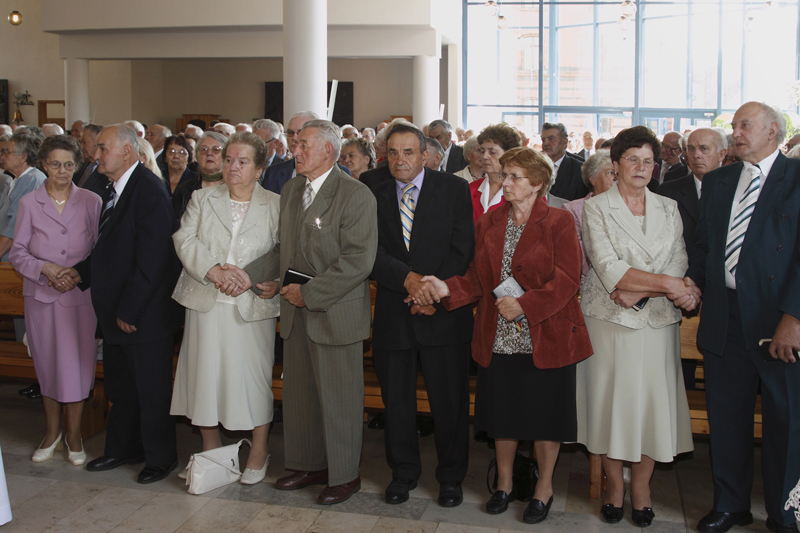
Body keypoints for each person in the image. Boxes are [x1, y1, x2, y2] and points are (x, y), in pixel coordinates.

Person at [419, 146, 592, 524]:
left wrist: (526, 305)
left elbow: (567, 279)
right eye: (505, 175)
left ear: (538, 183)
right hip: (498, 334)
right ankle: (505, 484)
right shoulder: (491, 221)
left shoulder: (559, 220)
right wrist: (446, 288)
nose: (505, 182)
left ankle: (543, 488)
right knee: (504, 413)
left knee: (546, 417)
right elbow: (477, 278)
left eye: (515, 176)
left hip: (546, 334)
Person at [241, 119, 377, 505]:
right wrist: (251, 275)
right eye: (295, 143)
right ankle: (309, 465)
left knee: (339, 400)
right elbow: (283, 248)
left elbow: (358, 260)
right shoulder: (291, 189)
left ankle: (345, 475)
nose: (294, 151)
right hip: (295, 310)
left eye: (303, 145)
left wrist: (309, 293)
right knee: (301, 396)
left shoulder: (355, 194)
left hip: (333, 311)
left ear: (328, 152)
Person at [686, 102, 800, 533]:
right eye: (734, 126)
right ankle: (730, 504)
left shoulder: (797, 177)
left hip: (777, 320)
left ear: (773, 130)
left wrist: (794, 317)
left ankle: (784, 513)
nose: (736, 132)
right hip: (725, 317)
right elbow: (704, 245)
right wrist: (691, 284)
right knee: (727, 417)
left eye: (745, 125)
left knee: (785, 423)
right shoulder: (720, 180)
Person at [577, 125, 698, 527]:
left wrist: (642, 291)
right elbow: (606, 265)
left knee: (650, 409)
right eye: (633, 159)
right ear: (615, 165)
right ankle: (615, 486)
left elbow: (679, 257)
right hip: (611, 322)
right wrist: (667, 286)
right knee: (612, 407)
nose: (641, 167)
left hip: (657, 323)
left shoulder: (668, 207)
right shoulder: (597, 208)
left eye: (649, 161)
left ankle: (642, 489)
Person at [61, 124, 183, 484]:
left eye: (103, 148)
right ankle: (122, 448)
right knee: (122, 388)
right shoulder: (110, 187)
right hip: (116, 311)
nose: (95, 154)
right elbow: (110, 250)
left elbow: (153, 260)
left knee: (151, 390)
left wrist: (130, 311)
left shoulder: (148, 190)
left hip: (143, 314)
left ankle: (160, 458)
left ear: (127, 152)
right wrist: (80, 272)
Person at [370, 123, 474, 508]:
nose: (400, 160)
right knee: (397, 402)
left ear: (426, 155)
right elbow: (368, 250)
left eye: (409, 152)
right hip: (395, 312)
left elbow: (463, 248)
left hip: (442, 313)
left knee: (449, 403)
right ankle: (403, 472)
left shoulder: (454, 189)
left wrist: (433, 291)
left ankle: (451, 477)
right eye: (393, 152)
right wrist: (409, 281)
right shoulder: (371, 188)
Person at [171, 132, 281, 484]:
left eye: (243, 161)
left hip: (253, 304)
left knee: (254, 379)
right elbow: (184, 238)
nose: (233, 167)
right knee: (204, 376)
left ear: (259, 168)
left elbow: (284, 250)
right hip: (206, 300)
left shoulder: (276, 204)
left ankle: (259, 449)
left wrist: (267, 280)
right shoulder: (202, 198)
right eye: (229, 159)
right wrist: (213, 271)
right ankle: (212, 449)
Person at [9, 135, 101, 467]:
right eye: (55, 164)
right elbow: (18, 252)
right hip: (42, 298)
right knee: (47, 365)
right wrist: (45, 269)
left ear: (76, 166)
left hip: (79, 298)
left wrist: (75, 274)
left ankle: (74, 436)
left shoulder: (91, 201)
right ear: (43, 165)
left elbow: (99, 251)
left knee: (77, 367)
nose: (62, 171)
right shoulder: (29, 203)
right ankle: (51, 433)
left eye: (68, 165)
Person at [260, 112, 351, 194]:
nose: (295, 137)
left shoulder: (343, 176)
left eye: (300, 132)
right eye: (290, 132)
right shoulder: (273, 172)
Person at [561, 149, 616, 281]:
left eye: (618, 173)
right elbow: (575, 257)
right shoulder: (573, 210)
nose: (616, 178)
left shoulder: (630, 208)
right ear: (593, 179)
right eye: (610, 172)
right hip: (587, 282)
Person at [0, 131, 47, 261]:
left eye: (7, 152)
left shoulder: (31, 179)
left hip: (15, 261)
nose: (3, 156)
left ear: (23, 157)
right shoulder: (17, 180)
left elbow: (15, 226)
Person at [469, 123, 521, 222]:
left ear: (509, 154)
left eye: (492, 152)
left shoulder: (525, 191)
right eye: (482, 151)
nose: (484, 156)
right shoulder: (471, 189)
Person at [172, 131, 226, 225]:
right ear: (196, 156)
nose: (209, 153)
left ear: (226, 156)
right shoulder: (184, 190)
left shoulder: (235, 188)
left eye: (216, 149)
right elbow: (176, 225)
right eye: (204, 149)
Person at [540, 122, 588, 201]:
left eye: (551, 139)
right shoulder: (534, 166)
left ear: (564, 142)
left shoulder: (579, 169)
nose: (545, 143)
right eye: (543, 139)